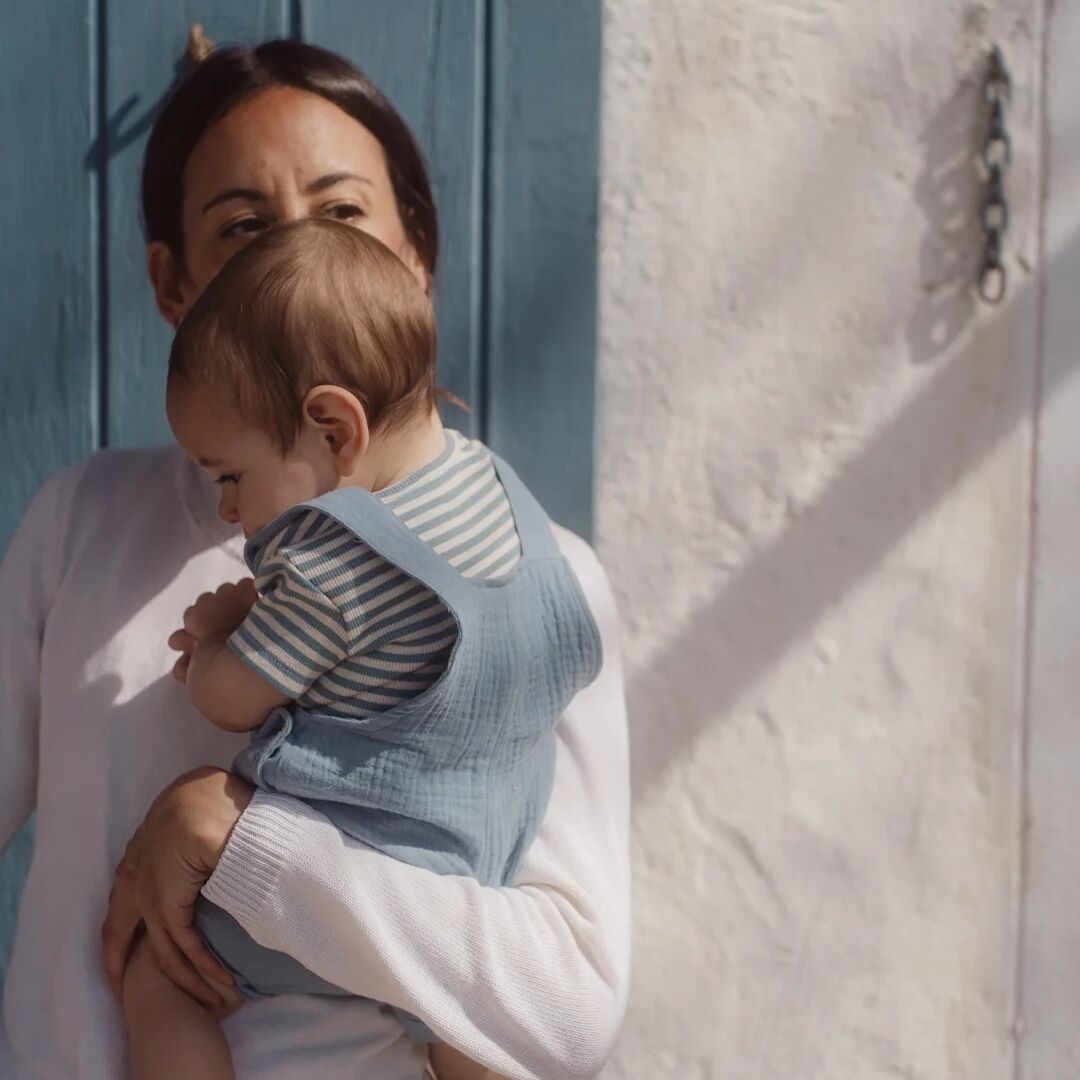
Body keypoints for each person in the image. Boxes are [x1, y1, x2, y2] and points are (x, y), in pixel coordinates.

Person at [0, 37, 629, 1080]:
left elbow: (567, 1013)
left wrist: (239, 841)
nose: (294, 253)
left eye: (342, 214)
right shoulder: (82, 523)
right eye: (243, 227)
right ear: (173, 285)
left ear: (413, 256)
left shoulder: (538, 576)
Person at [123, 217, 603, 1079]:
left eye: (231, 474)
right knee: (476, 1033)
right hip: (472, 885)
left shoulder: (329, 560)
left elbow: (230, 699)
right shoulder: (503, 497)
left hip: (332, 880)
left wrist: (217, 636)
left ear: (334, 429)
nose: (227, 509)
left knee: (156, 973)